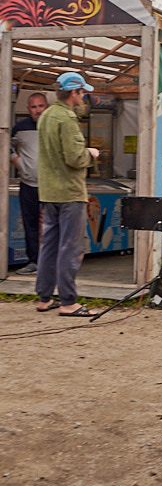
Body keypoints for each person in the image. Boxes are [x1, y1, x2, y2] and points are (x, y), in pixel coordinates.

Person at [35, 72, 100, 316]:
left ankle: (44, 298)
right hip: (70, 193)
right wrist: (90, 154)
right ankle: (68, 301)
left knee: (49, 245)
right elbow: (74, 158)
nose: (84, 97)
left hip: (48, 191)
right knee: (70, 248)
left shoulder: (46, 116)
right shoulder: (66, 118)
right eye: (82, 92)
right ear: (73, 92)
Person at [9, 92, 48, 275]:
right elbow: (6, 143)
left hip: (51, 185)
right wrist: (15, 159)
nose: (38, 110)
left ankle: (51, 262)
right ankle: (33, 261)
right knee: (30, 224)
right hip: (28, 184)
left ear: (46, 106)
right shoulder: (20, 128)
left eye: (40, 106)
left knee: (52, 224)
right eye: (34, 107)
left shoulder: (53, 124)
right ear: (28, 109)